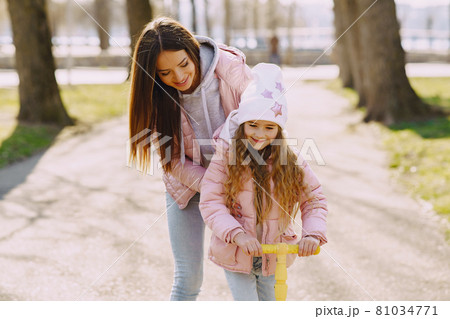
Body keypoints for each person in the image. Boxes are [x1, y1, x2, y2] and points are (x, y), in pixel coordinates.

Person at [127, 17, 252, 300]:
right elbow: (172, 161)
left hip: (237, 184)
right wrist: (212, 185)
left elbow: (266, 112)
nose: (179, 77)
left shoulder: (229, 68)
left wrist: (232, 182)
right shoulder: (156, 96)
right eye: (166, 73)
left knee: (246, 273)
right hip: (186, 187)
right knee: (187, 278)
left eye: (184, 64)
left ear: (192, 50)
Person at [199, 63, 328, 301]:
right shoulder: (226, 158)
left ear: (279, 130)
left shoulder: (291, 161)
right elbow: (210, 202)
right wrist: (238, 234)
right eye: (253, 125)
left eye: (269, 127)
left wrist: (312, 234)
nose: (260, 134)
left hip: (274, 253)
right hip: (237, 249)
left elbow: (314, 200)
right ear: (242, 124)